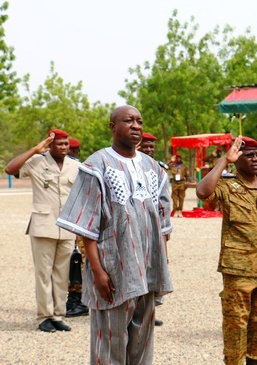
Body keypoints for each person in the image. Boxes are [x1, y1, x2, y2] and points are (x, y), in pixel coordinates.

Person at [56, 105, 173, 364]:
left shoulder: (153, 168)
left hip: (148, 269)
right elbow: (87, 224)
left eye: (139, 121)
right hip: (113, 268)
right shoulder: (97, 164)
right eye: (128, 121)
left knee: (142, 341)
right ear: (112, 126)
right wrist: (97, 271)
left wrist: (161, 262)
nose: (136, 126)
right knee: (110, 342)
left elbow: (162, 222)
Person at [196, 135, 257, 365]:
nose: (256, 159)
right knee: (237, 324)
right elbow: (203, 192)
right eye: (249, 155)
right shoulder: (226, 185)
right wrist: (225, 160)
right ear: (237, 159)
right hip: (238, 269)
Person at [5, 129, 81, 333]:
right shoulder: (37, 162)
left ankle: (58, 315)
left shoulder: (75, 166)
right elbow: (10, 169)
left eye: (67, 144)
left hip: (66, 226)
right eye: (60, 144)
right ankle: (44, 316)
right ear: (50, 144)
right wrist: (34, 150)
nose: (65, 147)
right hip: (43, 225)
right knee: (43, 273)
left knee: (61, 274)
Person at [137, 131, 170, 327]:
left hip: (155, 230)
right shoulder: (126, 166)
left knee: (153, 269)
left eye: (151, 147)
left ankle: (149, 311)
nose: (148, 150)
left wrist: (165, 234)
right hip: (133, 229)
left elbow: (164, 203)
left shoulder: (158, 171)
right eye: (144, 147)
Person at [63, 136, 90, 318]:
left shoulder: (79, 169)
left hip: (76, 224)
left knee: (77, 262)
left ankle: (77, 301)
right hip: (65, 223)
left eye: (72, 151)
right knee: (70, 263)